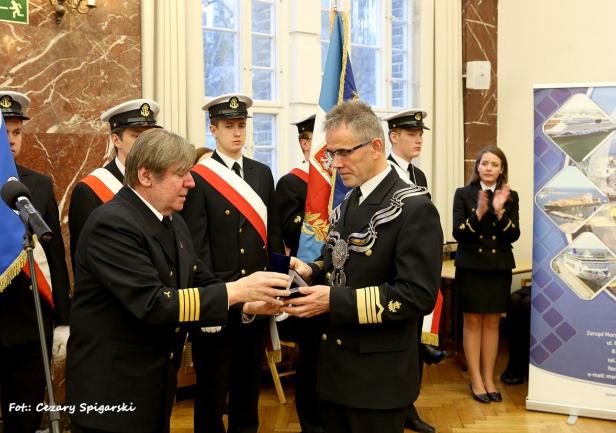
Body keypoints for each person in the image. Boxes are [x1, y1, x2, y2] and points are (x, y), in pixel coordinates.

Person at [66, 128, 290, 433]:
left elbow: (200, 281)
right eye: (180, 173)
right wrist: (237, 290)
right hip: (112, 391)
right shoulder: (112, 224)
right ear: (146, 175)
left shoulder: (174, 222)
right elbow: (155, 303)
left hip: (154, 387)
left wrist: (248, 304)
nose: (191, 182)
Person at [283, 100, 443, 433]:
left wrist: (334, 300)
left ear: (375, 147)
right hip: (335, 370)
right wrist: (312, 269)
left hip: (377, 379)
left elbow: (417, 295)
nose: (336, 163)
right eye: (332, 154)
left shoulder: (414, 208)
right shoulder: (350, 200)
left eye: (344, 152)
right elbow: (338, 258)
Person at [180, 93, 284, 433]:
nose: (237, 132)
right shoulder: (198, 177)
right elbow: (196, 247)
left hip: (258, 300)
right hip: (221, 299)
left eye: (241, 125)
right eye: (229, 126)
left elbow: (273, 235)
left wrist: (278, 288)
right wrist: (214, 302)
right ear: (213, 129)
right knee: (211, 394)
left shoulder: (262, 173)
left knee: (248, 389)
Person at [0, 90, 71, 433]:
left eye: (17, 132)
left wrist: (63, 321)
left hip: (30, 325)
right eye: (4, 132)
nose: (12, 140)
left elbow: (54, 255)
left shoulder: (38, 186)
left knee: (24, 418)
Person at [384, 109, 446, 433]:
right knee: (399, 347)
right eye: (411, 134)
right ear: (394, 137)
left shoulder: (417, 176)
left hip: (417, 269)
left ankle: (410, 406)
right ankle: (395, 406)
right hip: (394, 271)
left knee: (417, 346)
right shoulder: (384, 173)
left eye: (420, 134)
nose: (418, 139)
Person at [452, 146, 520, 403]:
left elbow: (513, 235)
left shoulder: (510, 196)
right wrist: (479, 213)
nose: (489, 168)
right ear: (477, 167)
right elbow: (458, 233)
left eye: (495, 164)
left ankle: (489, 378)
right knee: (472, 322)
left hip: (498, 267)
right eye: (485, 163)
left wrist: (499, 211)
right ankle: (476, 380)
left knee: (493, 323)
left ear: (502, 169)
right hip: (471, 266)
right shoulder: (463, 194)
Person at [273, 114, 324, 433]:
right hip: (305, 282)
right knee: (313, 359)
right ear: (305, 143)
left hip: (338, 282)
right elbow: (290, 232)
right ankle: (311, 423)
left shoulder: (343, 183)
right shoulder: (291, 183)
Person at [68, 98, 161, 267]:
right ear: (116, 140)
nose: (146, 143)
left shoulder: (161, 182)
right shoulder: (89, 190)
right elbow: (84, 256)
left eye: (150, 136)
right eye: (137, 136)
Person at [274, 114, 313, 255]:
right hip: (305, 257)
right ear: (305, 144)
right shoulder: (290, 182)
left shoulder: (340, 178)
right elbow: (289, 235)